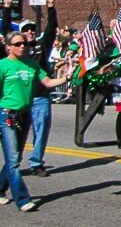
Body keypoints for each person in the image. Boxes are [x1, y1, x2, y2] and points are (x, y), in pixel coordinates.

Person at [0, 30, 69, 211]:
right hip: (7, 114)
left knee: (14, 156)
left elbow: (47, 82)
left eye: (24, 43)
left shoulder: (32, 65)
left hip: (25, 113)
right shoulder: (3, 66)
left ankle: (0, 188)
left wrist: (66, 77)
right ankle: (22, 199)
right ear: (8, 47)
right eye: (17, 44)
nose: (22, 46)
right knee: (14, 159)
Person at [2, 0, 59, 177]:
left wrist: (51, 6)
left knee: (41, 131)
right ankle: (14, 164)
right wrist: (7, 7)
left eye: (33, 30)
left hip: (40, 97)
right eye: (26, 31)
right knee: (17, 139)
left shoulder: (41, 48)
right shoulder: (15, 53)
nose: (30, 33)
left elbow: (51, 30)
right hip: (20, 100)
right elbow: (6, 32)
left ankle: (36, 162)